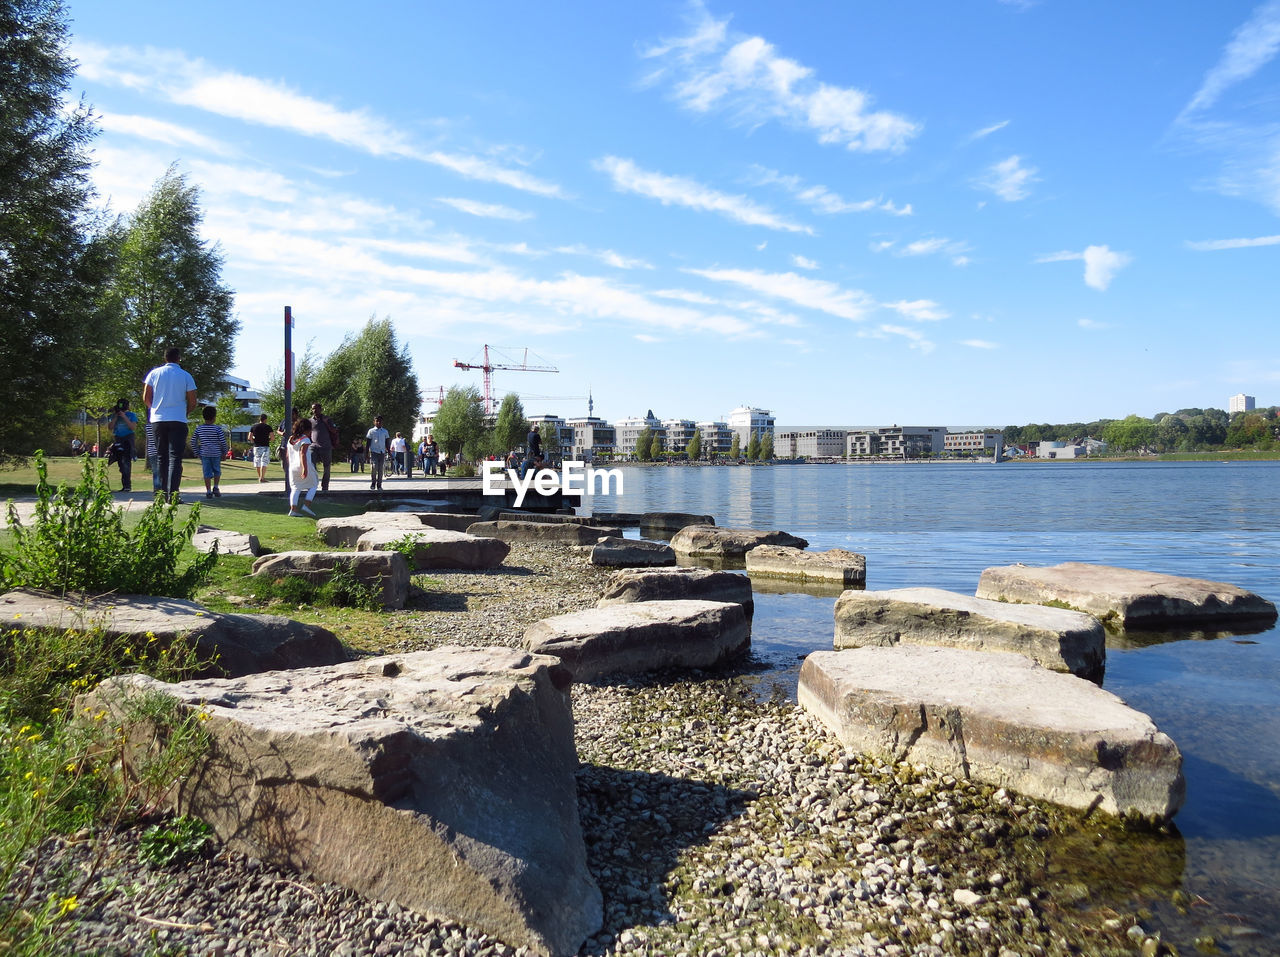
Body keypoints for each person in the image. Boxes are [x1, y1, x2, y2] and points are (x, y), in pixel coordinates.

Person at [142, 347, 198, 500]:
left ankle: (161, 494)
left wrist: (153, 409)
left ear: (165, 358)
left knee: (161, 457)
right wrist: (184, 412)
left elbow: (146, 397)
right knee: (175, 458)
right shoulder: (186, 375)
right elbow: (193, 401)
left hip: (158, 420)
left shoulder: (154, 373)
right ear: (179, 358)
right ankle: (173, 494)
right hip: (178, 419)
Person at [191, 405, 228, 499]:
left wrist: (197, 452)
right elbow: (223, 442)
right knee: (217, 471)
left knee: (206, 472)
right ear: (214, 417)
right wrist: (224, 452)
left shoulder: (199, 428)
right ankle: (216, 487)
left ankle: (208, 491)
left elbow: (193, 441)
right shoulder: (217, 429)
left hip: (204, 453)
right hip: (216, 453)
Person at [287, 417, 318, 517]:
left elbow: (287, 455)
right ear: (307, 429)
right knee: (314, 484)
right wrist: (305, 469)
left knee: (295, 488)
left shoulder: (291, 439)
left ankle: (293, 510)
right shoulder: (305, 439)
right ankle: (306, 505)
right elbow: (303, 454)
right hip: (304, 465)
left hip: (292, 467)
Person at [108, 398, 138, 492]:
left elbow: (133, 427)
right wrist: (116, 417)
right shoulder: (114, 415)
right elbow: (110, 427)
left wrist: (124, 416)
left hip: (128, 440)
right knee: (120, 463)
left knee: (126, 462)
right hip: (118, 440)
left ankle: (127, 485)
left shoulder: (132, 415)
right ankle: (124, 484)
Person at [309, 402, 335, 492]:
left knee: (327, 468)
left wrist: (326, 423)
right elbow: (308, 433)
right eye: (313, 409)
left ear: (321, 409)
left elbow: (334, 430)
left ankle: (325, 487)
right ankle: (313, 484)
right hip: (313, 446)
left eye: (316, 408)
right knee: (311, 466)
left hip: (326, 446)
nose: (314, 410)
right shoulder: (310, 421)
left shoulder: (327, 419)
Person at [365, 415, 390, 491]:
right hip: (374, 452)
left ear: (382, 422)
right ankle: (373, 483)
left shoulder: (385, 431)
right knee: (374, 467)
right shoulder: (371, 431)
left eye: (380, 421)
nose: (378, 422)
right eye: (377, 421)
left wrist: (389, 452)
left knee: (380, 469)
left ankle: (379, 485)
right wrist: (366, 453)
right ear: (374, 422)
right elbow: (368, 443)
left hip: (382, 452)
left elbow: (387, 443)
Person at [249, 413, 273, 483]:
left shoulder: (253, 427)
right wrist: (268, 440)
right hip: (265, 446)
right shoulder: (268, 427)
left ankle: (259, 477)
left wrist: (254, 440)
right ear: (265, 419)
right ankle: (262, 477)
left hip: (256, 446)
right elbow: (272, 437)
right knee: (264, 462)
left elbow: (249, 437)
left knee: (258, 461)